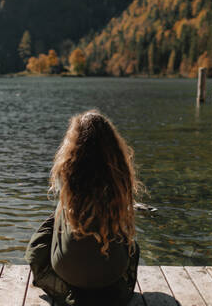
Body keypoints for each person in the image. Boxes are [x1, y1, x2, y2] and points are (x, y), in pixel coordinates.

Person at [25, 110, 142, 306]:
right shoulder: (119, 178)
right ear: (113, 146)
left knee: (55, 219)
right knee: (131, 243)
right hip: (111, 273)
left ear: (73, 144)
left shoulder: (66, 174)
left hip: (66, 270)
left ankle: (71, 281)